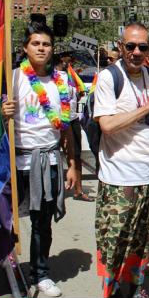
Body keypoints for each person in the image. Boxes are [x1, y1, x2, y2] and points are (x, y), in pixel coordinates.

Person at [0, 22, 79, 298]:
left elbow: (67, 128)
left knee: (42, 224)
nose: (41, 48)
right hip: (13, 163)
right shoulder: (11, 78)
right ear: (25, 48)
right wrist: (2, 113)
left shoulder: (63, 81)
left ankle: (41, 274)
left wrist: (72, 164)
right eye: (36, 43)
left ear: (52, 49)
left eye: (46, 44)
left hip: (48, 162)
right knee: (0, 222)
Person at [92, 22, 149, 298]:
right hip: (121, 178)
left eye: (142, 46)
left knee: (141, 243)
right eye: (130, 46)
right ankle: (113, 293)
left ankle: (135, 288)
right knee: (115, 242)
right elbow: (107, 125)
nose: (136, 52)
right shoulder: (109, 78)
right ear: (121, 47)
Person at [55, 53, 92, 202]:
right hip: (57, 121)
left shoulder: (71, 75)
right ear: (60, 59)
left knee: (76, 156)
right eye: (68, 58)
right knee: (53, 156)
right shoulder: (51, 76)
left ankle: (78, 191)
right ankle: (54, 193)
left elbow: (79, 93)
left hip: (72, 119)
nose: (70, 60)